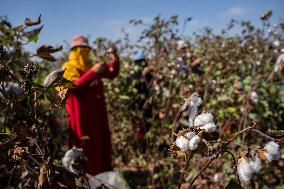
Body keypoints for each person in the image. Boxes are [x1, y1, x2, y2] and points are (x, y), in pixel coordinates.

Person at [61, 35, 120, 176]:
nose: (84, 52)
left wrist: (114, 58)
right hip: (81, 119)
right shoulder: (68, 67)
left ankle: (101, 176)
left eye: (86, 49)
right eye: (80, 49)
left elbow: (112, 73)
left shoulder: (92, 66)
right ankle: (85, 178)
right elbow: (74, 86)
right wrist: (93, 72)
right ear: (74, 51)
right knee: (84, 148)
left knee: (99, 145)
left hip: (98, 117)